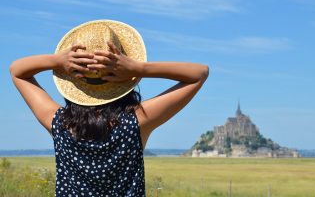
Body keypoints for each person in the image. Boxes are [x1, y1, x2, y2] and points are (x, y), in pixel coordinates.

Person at [9, 20, 208, 196]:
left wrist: (56, 61)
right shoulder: (137, 121)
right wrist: (139, 68)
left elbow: (17, 71)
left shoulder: (59, 124)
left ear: (74, 81)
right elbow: (199, 73)